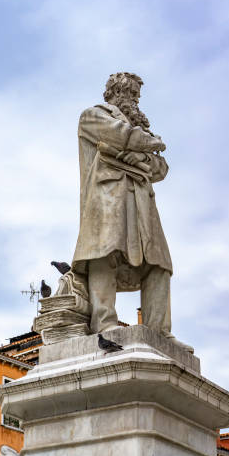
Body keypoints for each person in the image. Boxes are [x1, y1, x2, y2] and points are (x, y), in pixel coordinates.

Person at [72, 72, 177, 342]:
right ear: (115, 93)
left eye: (137, 96)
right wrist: (146, 147)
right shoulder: (92, 116)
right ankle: (104, 322)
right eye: (131, 94)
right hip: (107, 197)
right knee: (104, 253)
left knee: (160, 262)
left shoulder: (140, 129)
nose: (135, 100)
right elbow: (121, 136)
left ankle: (159, 332)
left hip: (143, 202)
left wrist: (136, 156)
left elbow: (161, 167)